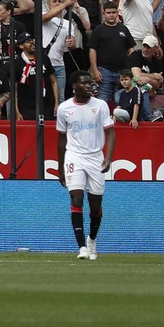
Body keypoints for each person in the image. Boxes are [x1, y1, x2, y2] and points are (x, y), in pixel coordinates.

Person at [56, 70, 115, 261]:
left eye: (90, 83)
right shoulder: (65, 109)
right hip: (74, 157)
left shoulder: (100, 105)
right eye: (85, 83)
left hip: (96, 157)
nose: (89, 86)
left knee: (95, 204)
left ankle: (92, 239)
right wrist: (60, 167)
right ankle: (81, 247)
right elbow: (61, 138)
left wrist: (108, 157)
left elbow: (111, 132)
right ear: (75, 86)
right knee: (76, 197)